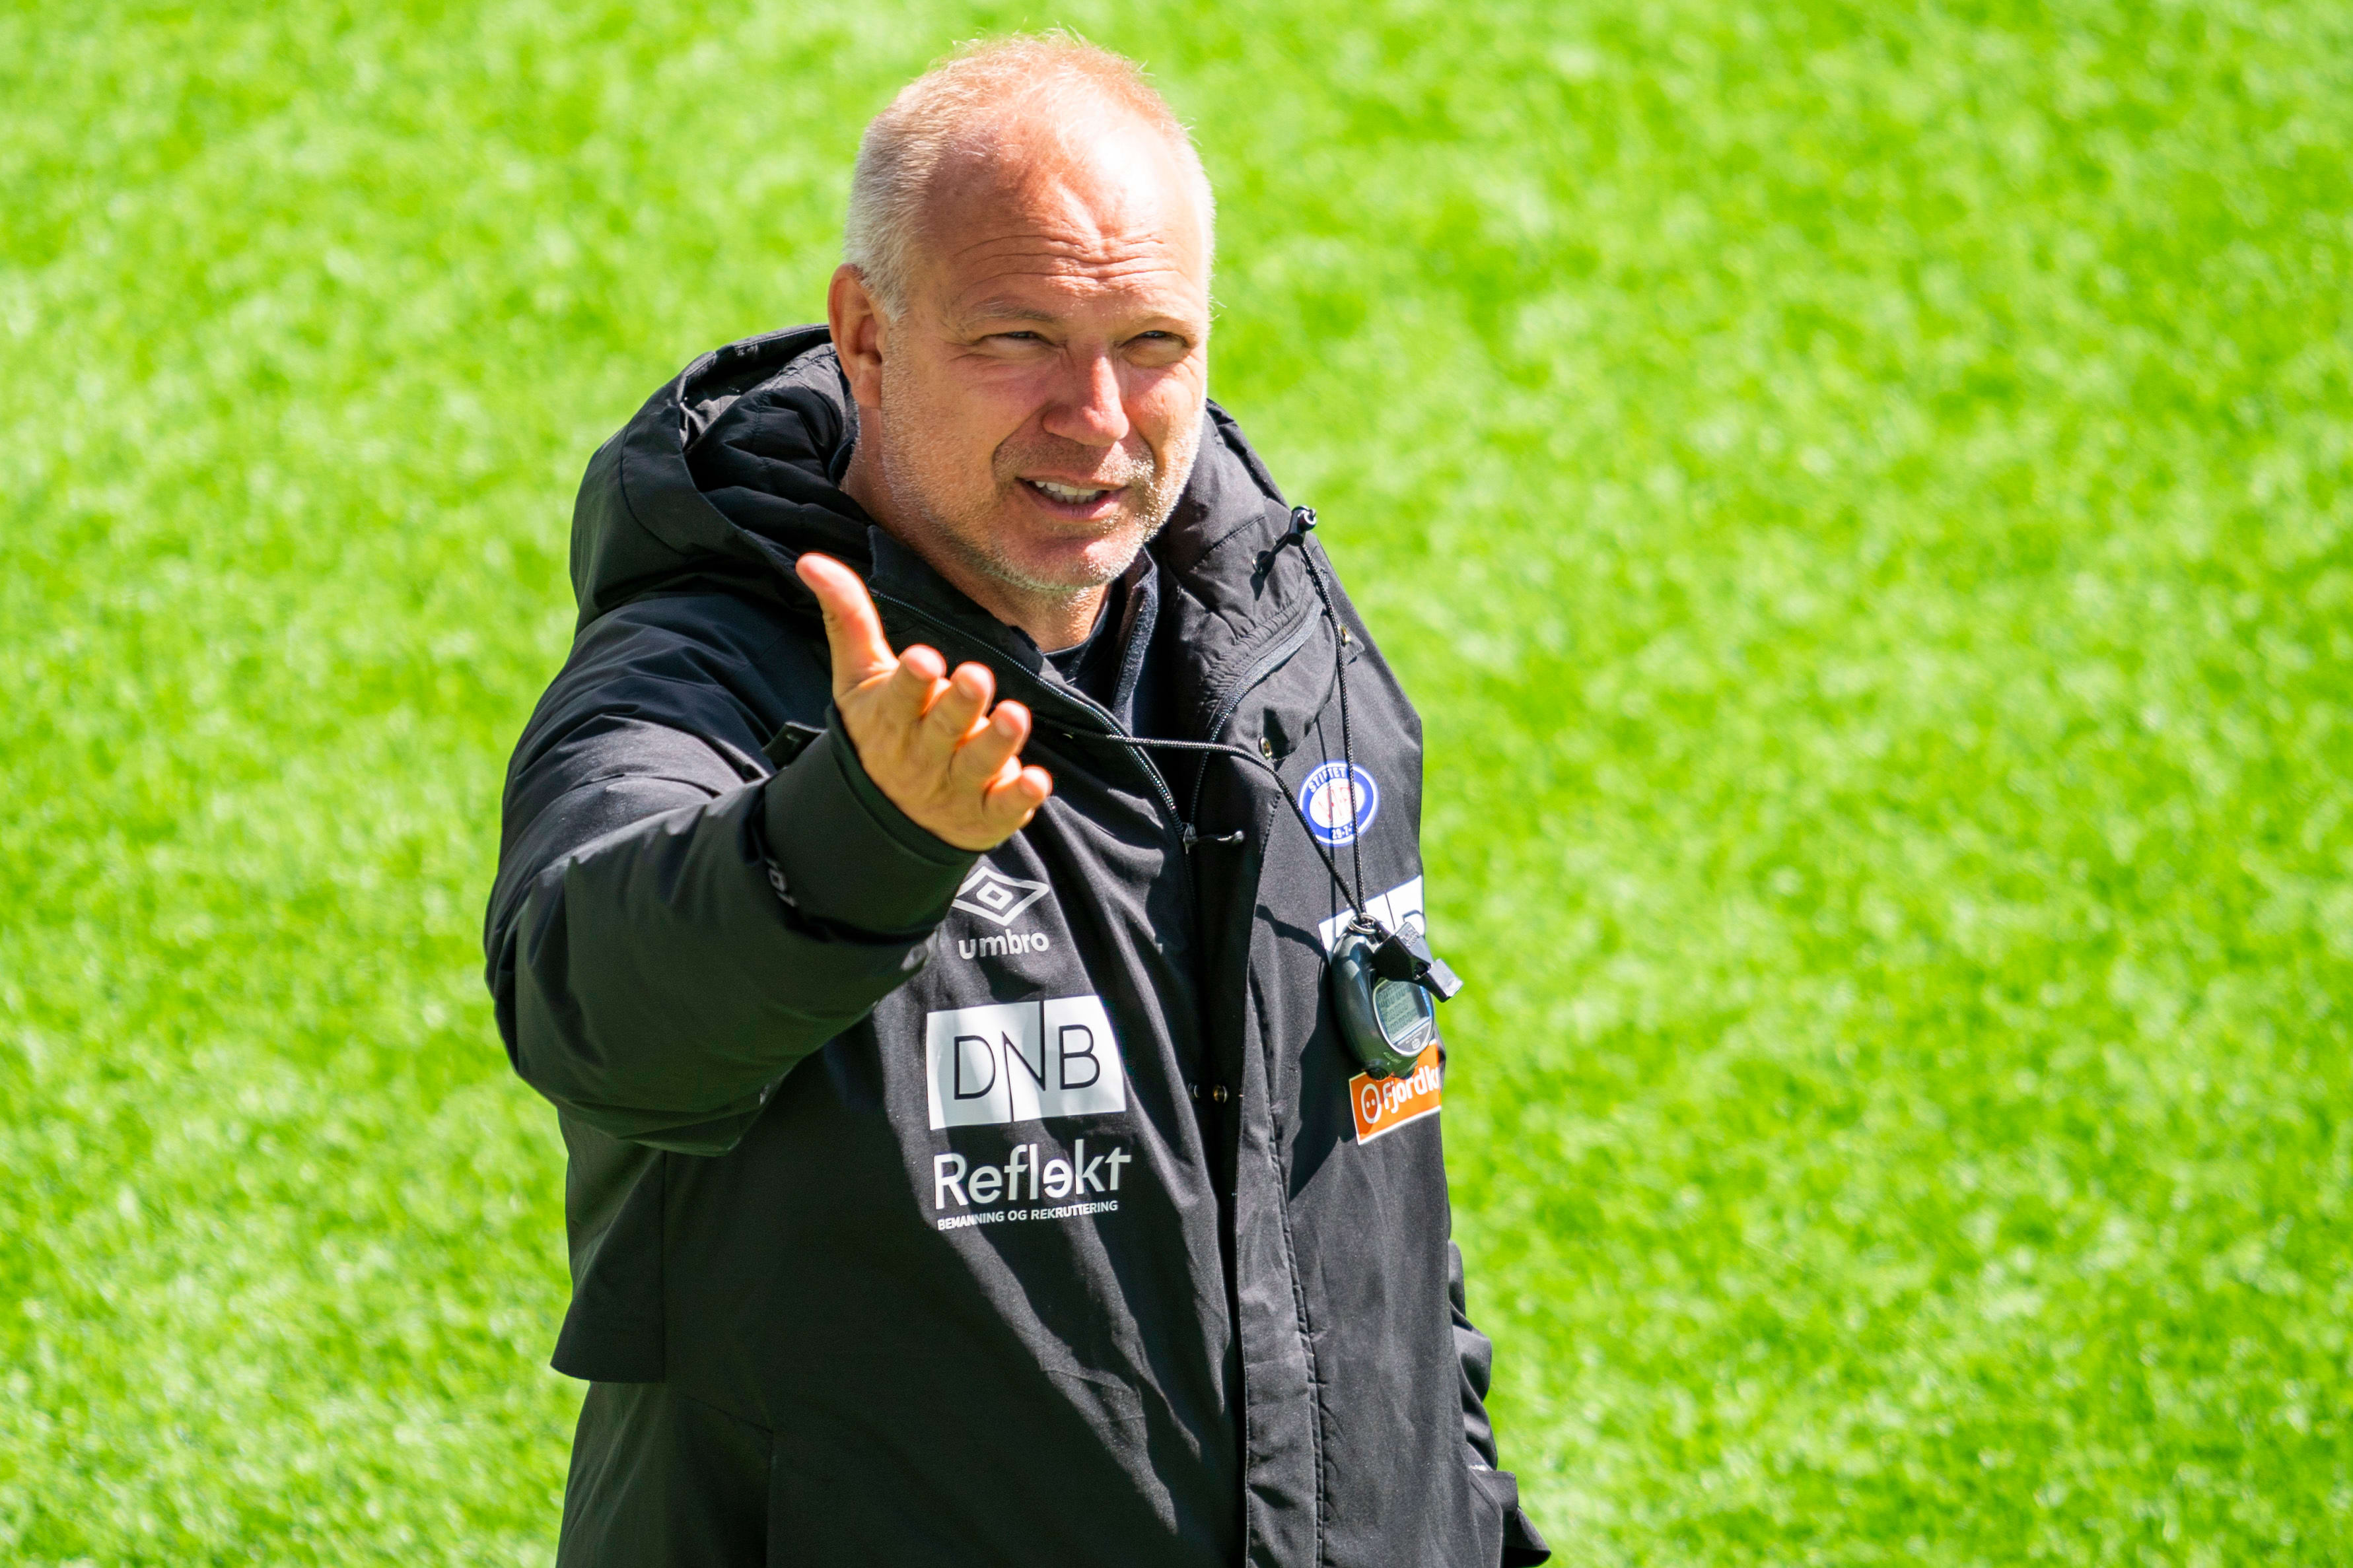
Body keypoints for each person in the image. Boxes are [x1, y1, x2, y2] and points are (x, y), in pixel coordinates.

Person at [485, 34, 1549, 1567]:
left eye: (1153, 342)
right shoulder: (714, 668)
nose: (1097, 416)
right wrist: (861, 836)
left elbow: (1373, 1202)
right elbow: (594, 1008)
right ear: (867, 333)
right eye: (1020, 339)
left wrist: (1475, 1525)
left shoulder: (1293, 658)